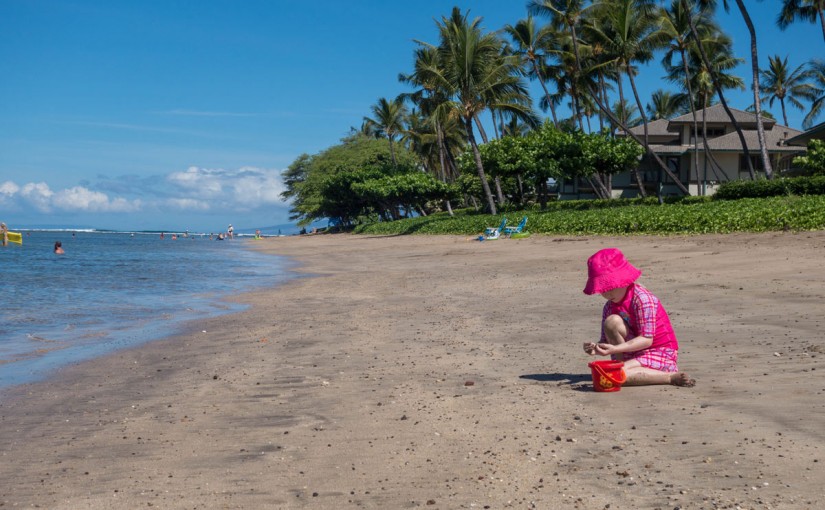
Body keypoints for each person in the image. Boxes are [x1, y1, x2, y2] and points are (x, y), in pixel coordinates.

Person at [582, 248, 695, 387]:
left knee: (617, 375)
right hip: (632, 353)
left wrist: (614, 349)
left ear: (623, 281)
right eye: (603, 290)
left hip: (660, 352)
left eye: (611, 287)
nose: (607, 293)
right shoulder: (609, 306)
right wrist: (596, 348)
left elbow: (647, 340)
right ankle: (621, 365)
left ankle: (670, 377)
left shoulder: (642, 298)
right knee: (611, 322)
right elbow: (606, 341)